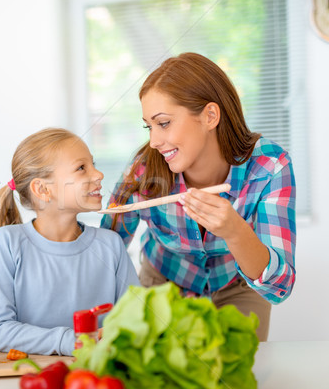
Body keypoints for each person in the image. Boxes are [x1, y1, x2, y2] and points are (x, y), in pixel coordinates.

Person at [101, 52, 296, 341]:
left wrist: (234, 230)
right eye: (149, 126)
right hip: (164, 282)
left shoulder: (269, 165)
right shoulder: (144, 169)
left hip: (238, 284)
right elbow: (107, 248)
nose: (154, 141)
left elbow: (279, 286)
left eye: (164, 123)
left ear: (210, 116)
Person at [0, 128, 140, 356]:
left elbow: (137, 318)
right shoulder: (8, 243)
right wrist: (72, 341)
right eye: (81, 168)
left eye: (93, 164)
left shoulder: (111, 245)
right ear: (43, 189)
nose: (98, 175)